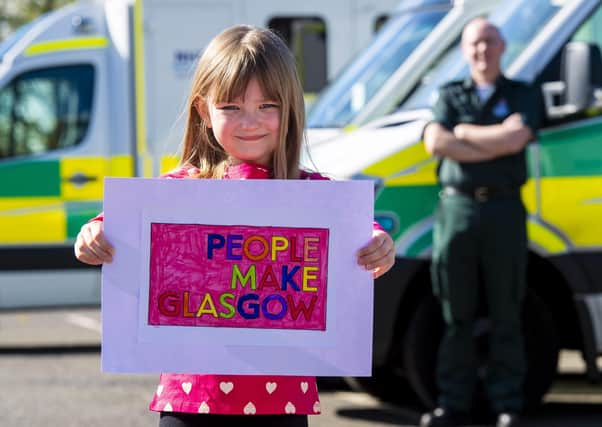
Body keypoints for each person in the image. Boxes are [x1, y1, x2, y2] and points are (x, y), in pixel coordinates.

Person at [74, 25, 395, 427]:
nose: (250, 122)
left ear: (290, 108)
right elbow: (118, 223)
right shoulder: (178, 191)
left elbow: (360, 236)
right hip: (190, 399)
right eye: (231, 107)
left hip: (282, 404)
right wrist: (92, 235)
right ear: (203, 111)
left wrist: (378, 243)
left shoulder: (315, 195)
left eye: (267, 106)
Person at [419, 18, 541, 427]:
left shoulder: (522, 93)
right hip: (458, 211)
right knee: (456, 314)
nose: (482, 50)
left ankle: (507, 403)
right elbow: (436, 142)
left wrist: (465, 135)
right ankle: (453, 403)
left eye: (489, 41)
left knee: (508, 309)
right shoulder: (449, 95)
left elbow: (516, 140)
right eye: (474, 43)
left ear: (503, 45)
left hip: (504, 212)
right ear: (463, 49)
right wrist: (493, 138)